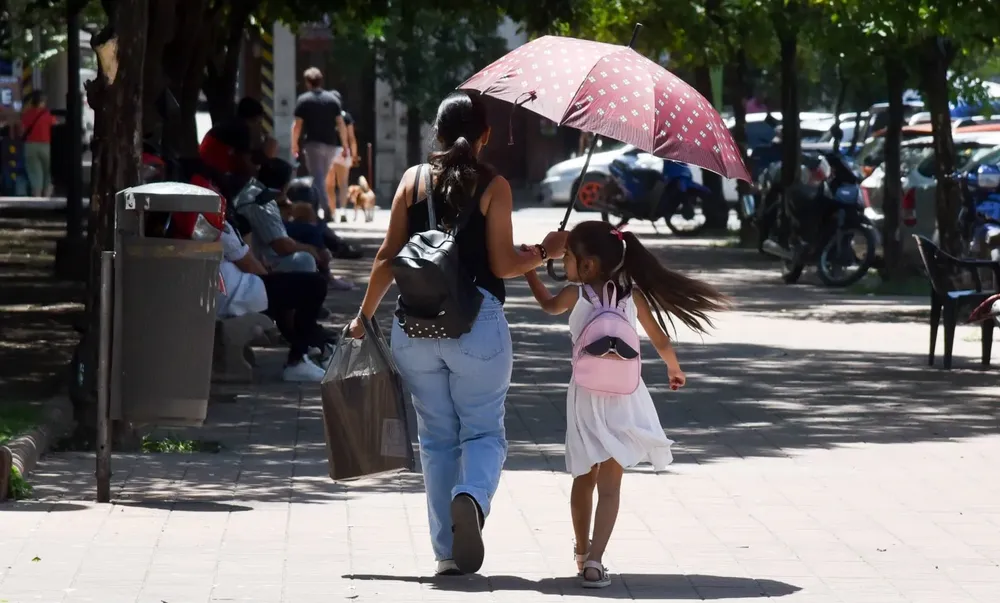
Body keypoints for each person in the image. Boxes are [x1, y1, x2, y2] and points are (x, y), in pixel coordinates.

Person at [346, 91, 568, 576]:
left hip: (415, 326)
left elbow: (387, 258)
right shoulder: (495, 185)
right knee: (484, 430)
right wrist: (546, 253)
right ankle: (470, 497)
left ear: (438, 134)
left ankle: (446, 554)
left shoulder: (412, 181)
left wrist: (363, 318)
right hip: (478, 327)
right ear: (485, 136)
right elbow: (502, 264)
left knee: (437, 438)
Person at [521, 220, 729, 588]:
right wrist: (674, 369)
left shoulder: (577, 294)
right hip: (624, 394)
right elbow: (660, 340)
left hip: (585, 396)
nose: (563, 262)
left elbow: (548, 305)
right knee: (611, 486)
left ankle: (582, 551)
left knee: (583, 477)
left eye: (568, 256)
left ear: (588, 266)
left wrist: (530, 271)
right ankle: (596, 562)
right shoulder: (632, 297)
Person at [218, 220, 331, 382]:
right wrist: (271, 278)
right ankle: (300, 357)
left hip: (239, 289)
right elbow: (247, 263)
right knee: (315, 285)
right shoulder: (212, 221)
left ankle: (310, 348)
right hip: (239, 293)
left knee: (290, 292)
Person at [291, 67, 348, 221]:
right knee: (320, 178)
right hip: (331, 145)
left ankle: (326, 210)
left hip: (313, 144)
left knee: (318, 178)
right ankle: (318, 208)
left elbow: (297, 125)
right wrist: (345, 146)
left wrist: (294, 144)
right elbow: (341, 124)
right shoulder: (333, 100)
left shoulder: (304, 100)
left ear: (308, 82)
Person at [199, 97, 267, 183]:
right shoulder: (241, 128)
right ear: (256, 117)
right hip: (214, 172)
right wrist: (259, 180)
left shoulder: (231, 123)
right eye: (259, 122)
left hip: (206, 168)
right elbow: (243, 162)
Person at [20, 91, 56, 197]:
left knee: (34, 172)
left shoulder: (26, 115)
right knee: (48, 171)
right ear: (42, 102)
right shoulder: (48, 115)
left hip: (30, 146)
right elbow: (55, 126)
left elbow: (22, 131)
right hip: (46, 146)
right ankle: (47, 195)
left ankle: (37, 196)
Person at [327, 110, 359, 223]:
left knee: (329, 185)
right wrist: (354, 154)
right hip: (343, 151)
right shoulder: (346, 116)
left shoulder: (326, 114)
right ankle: (343, 211)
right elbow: (351, 137)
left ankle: (332, 212)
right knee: (343, 183)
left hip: (328, 150)